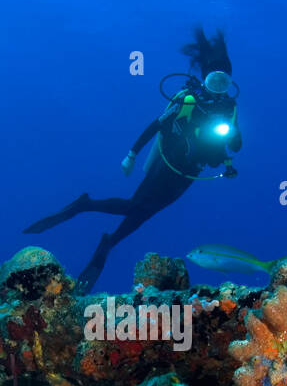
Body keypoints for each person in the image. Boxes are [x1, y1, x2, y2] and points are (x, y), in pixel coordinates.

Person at [24, 27, 242, 292]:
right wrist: (131, 154)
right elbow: (155, 126)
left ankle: (109, 242)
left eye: (224, 82)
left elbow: (233, 146)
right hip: (167, 166)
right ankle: (84, 204)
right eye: (214, 81)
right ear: (205, 78)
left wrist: (232, 140)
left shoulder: (229, 108)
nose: (219, 89)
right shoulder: (187, 100)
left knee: (144, 214)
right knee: (133, 206)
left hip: (188, 176)